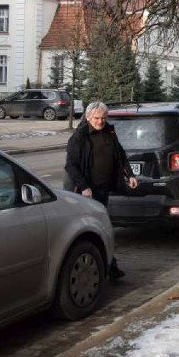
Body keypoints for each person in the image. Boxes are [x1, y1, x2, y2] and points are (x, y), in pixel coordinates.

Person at [65, 101, 138, 281]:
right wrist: (84, 187)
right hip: (85, 193)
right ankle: (108, 266)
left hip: (103, 190)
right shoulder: (79, 137)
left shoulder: (109, 132)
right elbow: (71, 166)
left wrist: (129, 175)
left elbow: (120, 155)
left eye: (103, 118)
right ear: (88, 117)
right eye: (97, 118)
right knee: (95, 229)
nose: (100, 122)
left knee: (100, 228)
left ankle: (107, 265)